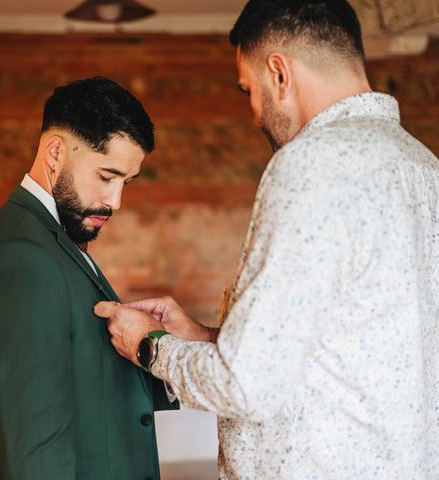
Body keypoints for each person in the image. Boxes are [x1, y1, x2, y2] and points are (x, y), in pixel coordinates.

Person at [95, 1, 439, 478]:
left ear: (279, 74)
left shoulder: (311, 165)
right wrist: (204, 338)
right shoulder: (425, 169)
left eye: (248, 91)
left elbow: (247, 386)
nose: (254, 114)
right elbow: (334, 353)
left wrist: (149, 346)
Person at [0, 77, 178, 480]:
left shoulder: (50, 238)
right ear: (56, 152)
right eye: (106, 176)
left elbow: (92, 383)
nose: (116, 201)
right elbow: (36, 451)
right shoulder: (21, 259)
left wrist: (161, 347)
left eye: (125, 183)